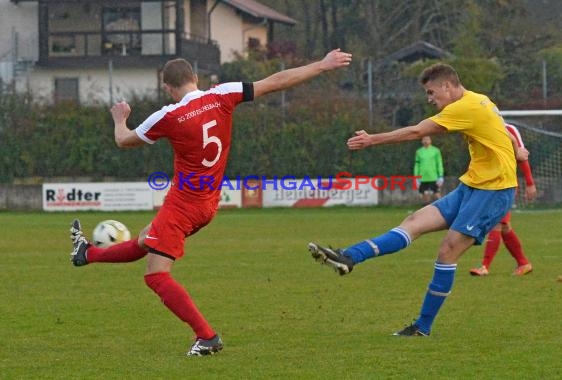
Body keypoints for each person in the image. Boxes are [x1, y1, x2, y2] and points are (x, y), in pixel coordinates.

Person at [69, 49, 352, 356]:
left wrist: (120, 119)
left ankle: (207, 337)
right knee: (145, 240)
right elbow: (277, 81)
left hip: (182, 205)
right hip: (208, 205)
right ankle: (87, 254)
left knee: (155, 275)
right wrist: (321, 66)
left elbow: (123, 141)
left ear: (166, 87)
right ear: (196, 78)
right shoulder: (224, 94)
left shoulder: (167, 116)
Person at [308, 63, 528, 337]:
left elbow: (416, 132)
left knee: (447, 251)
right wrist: (516, 148)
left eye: (431, 92)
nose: (430, 99)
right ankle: (349, 256)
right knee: (414, 221)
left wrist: (372, 139)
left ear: (447, 86)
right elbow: (501, 128)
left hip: (493, 192)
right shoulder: (480, 100)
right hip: (471, 185)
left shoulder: (464, 108)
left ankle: (422, 327)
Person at [470, 123, 537, 277]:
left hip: (505, 185)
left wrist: (530, 183)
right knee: (505, 227)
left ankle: (484, 266)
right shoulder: (480, 130)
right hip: (489, 184)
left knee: (497, 224)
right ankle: (523, 263)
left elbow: (522, 156)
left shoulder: (509, 129)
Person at [414, 135, 444, 205]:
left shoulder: (436, 151)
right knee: (424, 194)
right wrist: (416, 177)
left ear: (430, 141)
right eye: (424, 139)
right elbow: (417, 165)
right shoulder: (419, 152)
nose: (426, 141)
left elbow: (439, 163)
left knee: (437, 193)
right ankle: (426, 210)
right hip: (422, 177)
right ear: (422, 141)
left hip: (433, 176)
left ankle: (443, 208)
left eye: (427, 139)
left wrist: (440, 176)